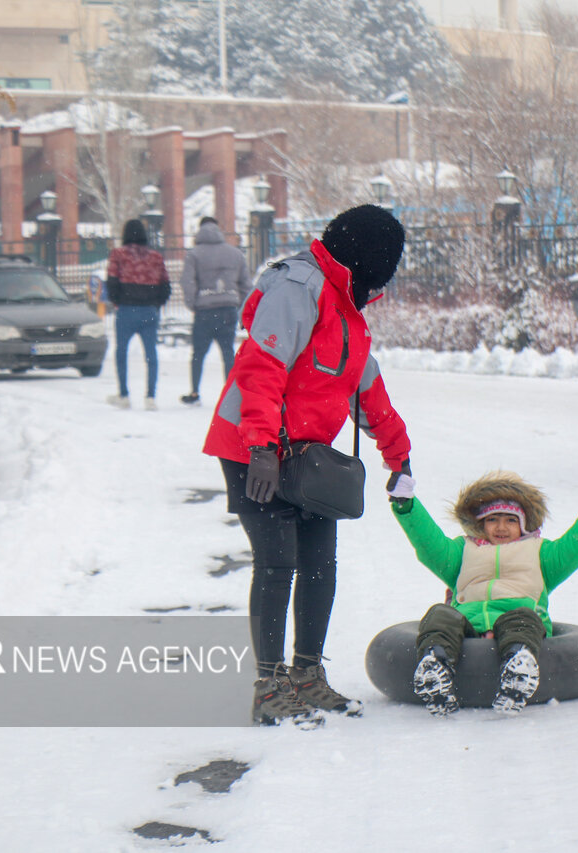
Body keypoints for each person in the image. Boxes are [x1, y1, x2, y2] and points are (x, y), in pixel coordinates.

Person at [203, 204, 414, 727]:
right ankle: (268, 686)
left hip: (307, 460)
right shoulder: (298, 288)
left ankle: (305, 675)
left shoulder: (349, 311)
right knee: (277, 564)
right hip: (253, 450)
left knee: (320, 564)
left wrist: (399, 456)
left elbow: (369, 394)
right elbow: (262, 367)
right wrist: (259, 447)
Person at [390, 471, 578, 716]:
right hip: (467, 626)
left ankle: (518, 668)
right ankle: (435, 666)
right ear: (480, 523)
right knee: (440, 614)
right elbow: (428, 543)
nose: (501, 527)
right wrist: (406, 504)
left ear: (523, 523)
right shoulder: (462, 552)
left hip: (517, 624)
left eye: (510, 520)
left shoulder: (542, 554)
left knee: (524, 616)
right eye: (492, 519)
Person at [179, 216, 249, 406]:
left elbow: (187, 281)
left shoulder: (194, 254)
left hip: (204, 311)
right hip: (228, 309)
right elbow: (245, 284)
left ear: (200, 230)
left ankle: (194, 393)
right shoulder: (235, 254)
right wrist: (243, 306)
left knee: (198, 353)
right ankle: (231, 395)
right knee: (227, 351)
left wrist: (193, 302)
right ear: (218, 230)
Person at [105, 218, 170, 410]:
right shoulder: (156, 257)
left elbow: (112, 282)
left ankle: (124, 394)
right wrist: (156, 304)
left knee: (121, 351)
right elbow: (165, 285)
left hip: (126, 309)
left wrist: (118, 300)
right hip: (149, 310)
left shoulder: (118, 255)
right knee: (151, 353)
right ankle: (150, 396)